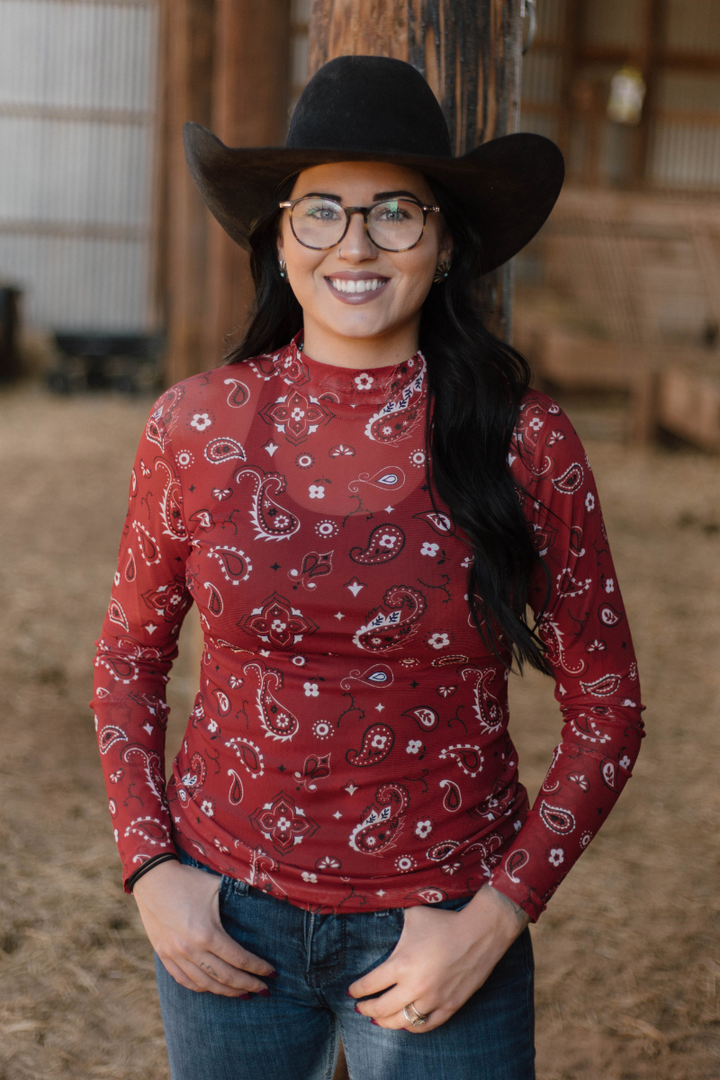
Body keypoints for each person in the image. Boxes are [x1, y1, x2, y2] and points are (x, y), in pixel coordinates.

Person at [93, 55, 644, 1080]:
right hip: (226, 927)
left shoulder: (526, 442)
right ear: (280, 239)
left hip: (442, 930)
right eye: (322, 213)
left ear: (442, 247)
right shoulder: (195, 425)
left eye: (396, 212)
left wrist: (495, 916)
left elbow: (608, 705)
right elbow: (128, 657)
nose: (356, 243)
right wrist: (152, 870)